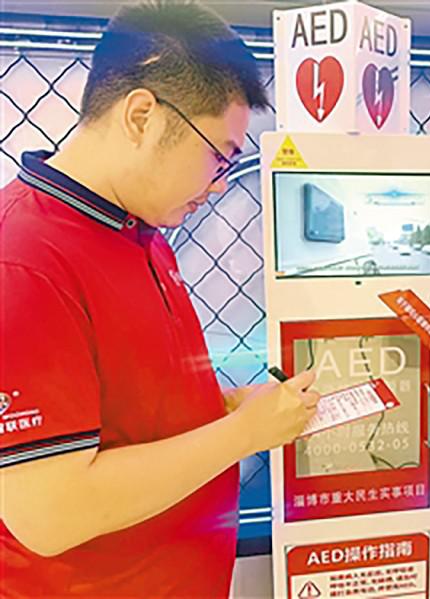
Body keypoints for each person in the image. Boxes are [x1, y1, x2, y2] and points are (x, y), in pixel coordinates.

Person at [0, 2, 319, 597]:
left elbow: (124, 411)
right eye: (219, 156)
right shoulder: (24, 258)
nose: (219, 185)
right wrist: (242, 434)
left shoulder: (139, 231)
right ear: (142, 115)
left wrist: (226, 406)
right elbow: (48, 512)